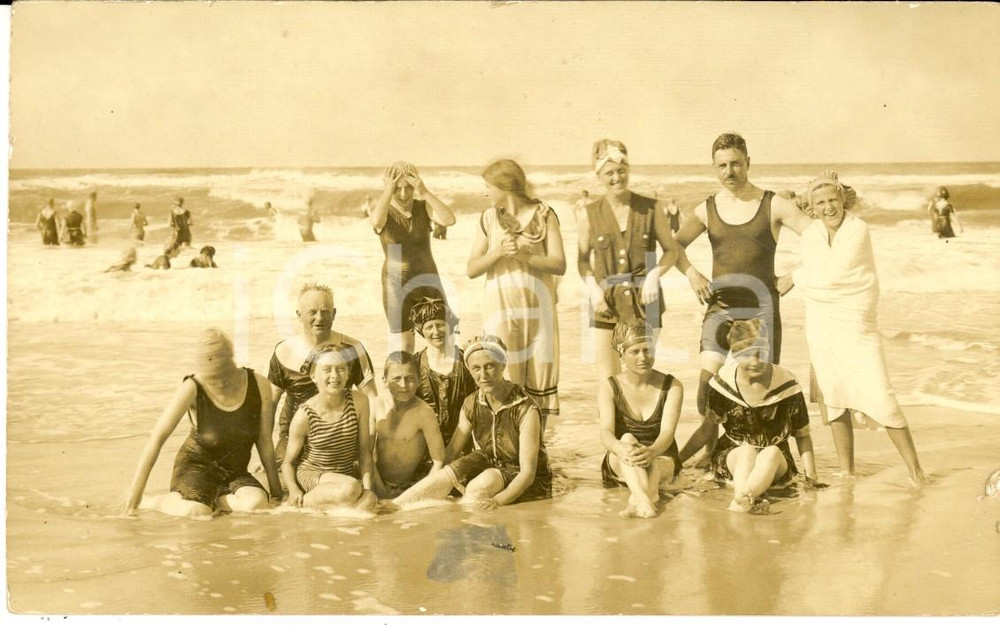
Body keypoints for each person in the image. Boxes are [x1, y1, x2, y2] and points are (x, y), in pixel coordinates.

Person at [673, 132, 812, 464]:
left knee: (761, 388)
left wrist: (796, 275)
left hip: (762, 309)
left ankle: (763, 452)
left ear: (748, 162)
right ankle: (711, 453)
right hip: (719, 307)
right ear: (714, 168)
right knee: (707, 388)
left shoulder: (773, 204)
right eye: (722, 165)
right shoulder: (707, 209)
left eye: (736, 163)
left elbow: (818, 237)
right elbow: (672, 246)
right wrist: (692, 274)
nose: (729, 172)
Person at [785, 174, 927, 486]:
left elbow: (839, 276)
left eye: (832, 200)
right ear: (812, 207)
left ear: (844, 200)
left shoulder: (857, 229)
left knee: (881, 395)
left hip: (855, 322)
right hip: (822, 324)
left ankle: (916, 471)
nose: (827, 207)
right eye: (819, 202)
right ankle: (846, 470)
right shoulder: (811, 235)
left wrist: (794, 277)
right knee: (834, 395)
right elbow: (817, 271)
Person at [124, 329, 282, 518]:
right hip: (196, 468)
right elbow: (157, 438)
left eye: (220, 365)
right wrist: (136, 496)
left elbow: (264, 440)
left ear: (230, 357)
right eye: (209, 369)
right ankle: (153, 501)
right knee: (197, 512)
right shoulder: (192, 388)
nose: (215, 378)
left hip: (235, 471)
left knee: (257, 505)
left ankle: (214, 500)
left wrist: (276, 493)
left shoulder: (258, 384)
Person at [393, 335, 551, 509]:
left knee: (480, 484)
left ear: (503, 365)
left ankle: (465, 519)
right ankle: (393, 507)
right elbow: (452, 451)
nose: (483, 375)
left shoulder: (526, 409)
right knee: (450, 472)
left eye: (490, 366)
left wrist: (498, 501)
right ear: (469, 370)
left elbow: (527, 473)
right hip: (489, 461)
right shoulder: (472, 402)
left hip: (525, 477)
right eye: (476, 368)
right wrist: (433, 477)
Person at [469, 159, 565, 425]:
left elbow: (559, 264)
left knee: (538, 385)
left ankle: (537, 456)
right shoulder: (489, 218)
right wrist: (498, 251)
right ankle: (507, 455)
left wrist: (524, 255)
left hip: (538, 312)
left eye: (488, 186)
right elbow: (472, 268)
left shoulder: (545, 215)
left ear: (505, 186)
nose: (485, 192)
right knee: (503, 381)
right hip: (500, 309)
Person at [577, 140, 681, 380]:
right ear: (599, 176)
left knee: (641, 377)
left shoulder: (652, 208)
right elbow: (582, 260)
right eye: (609, 173)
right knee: (608, 379)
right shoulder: (588, 213)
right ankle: (609, 420)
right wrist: (593, 289)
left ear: (629, 170)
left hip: (647, 302)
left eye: (621, 170)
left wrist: (654, 275)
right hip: (606, 304)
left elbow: (671, 250)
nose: (617, 177)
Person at [702, 320, 818, 513]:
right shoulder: (722, 382)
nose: (755, 362)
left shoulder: (787, 383)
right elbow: (707, 429)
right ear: (735, 355)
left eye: (760, 353)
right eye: (747, 355)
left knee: (771, 451)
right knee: (747, 450)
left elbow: (802, 434)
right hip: (734, 454)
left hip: (776, 461)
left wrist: (811, 477)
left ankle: (741, 500)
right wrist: (679, 460)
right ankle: (745, 498)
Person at [267, 283, 377, 463]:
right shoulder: (284, 351)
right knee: (287, 483)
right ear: (299, 315)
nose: (319, 318)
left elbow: (372, 400)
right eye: (312, 312)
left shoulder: (353, 349)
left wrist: (370, 449)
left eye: (325, 312)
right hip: (296, 435)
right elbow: (269, 405)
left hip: (343, 434)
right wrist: (267, 454)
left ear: (334, 314)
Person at [598, 321, 683, 519]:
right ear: (621, 355)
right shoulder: (609, 386)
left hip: (662, 455)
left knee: (655, 463)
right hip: (622, 457)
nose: (643, 357)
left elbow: (667, 434)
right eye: (634, 352)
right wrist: (619, 448)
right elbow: (606, 433)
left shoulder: (672, 386)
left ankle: (639, 499)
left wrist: (651, 452)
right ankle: (646, 499)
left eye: (647, 350)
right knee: (627, 438)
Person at [370, 161, 456, 354]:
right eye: (397, 189)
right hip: (396, 283)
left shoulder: (423, 207)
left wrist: (424, 191)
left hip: (428, 279)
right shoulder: (383, 211)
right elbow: (375, 222)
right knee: (405, 348)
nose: (403, 194)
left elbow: (449, 220)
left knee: (445, 340)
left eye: (408, 187)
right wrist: (387, 191)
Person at [282, 343, 376, 510]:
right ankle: (303, 504)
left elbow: (364, 451)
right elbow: (287, 462)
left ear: (348, 374)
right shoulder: (305, 415)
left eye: (341, 369)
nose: (335, 375)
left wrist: (368, 489)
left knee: (368, 500)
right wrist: (293, 490)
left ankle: (331, 510)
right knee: (352, 488)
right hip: (313, 475)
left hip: (345, 474)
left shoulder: (359, 401)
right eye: (327, 369)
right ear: (313, 375)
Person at [372, 352, 447, 499]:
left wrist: (416, 495)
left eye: (410, 379)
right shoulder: (375, 405)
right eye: (396, 379)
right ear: (384, 381)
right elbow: (366, 457)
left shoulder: (424, 413)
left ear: (419, 380)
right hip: (376, 483)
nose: (404, 385)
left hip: (408, 487)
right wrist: (382, 494)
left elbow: (439, 461)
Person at [410, 297, 477, 448]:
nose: (436, 332)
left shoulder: (467, 360)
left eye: (440, 325)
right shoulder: (414, 364)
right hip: (424, 443)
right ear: (421, 331)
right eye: (429, 327)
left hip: (464, 442)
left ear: (450, 326)